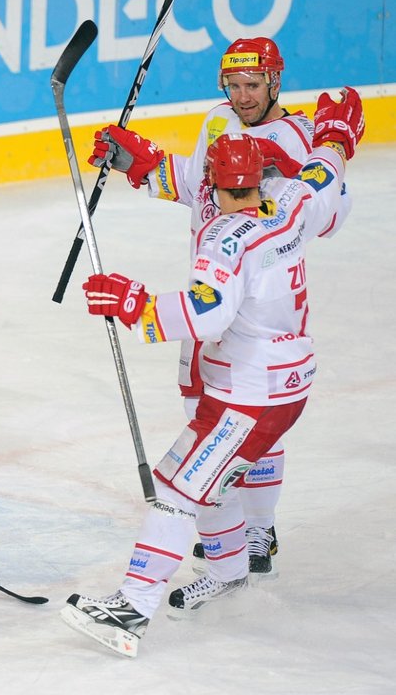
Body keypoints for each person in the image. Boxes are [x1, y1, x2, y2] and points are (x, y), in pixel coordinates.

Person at [61, 92, 364, 658]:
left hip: (250, 396)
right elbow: (325, 175)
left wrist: (134, 304)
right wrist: (337, 137)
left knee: (176, 490)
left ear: (216, 185)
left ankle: (131, 609)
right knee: (196, 476)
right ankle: (227, 569)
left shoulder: (225, 240)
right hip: (270, 381)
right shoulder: (293, 199)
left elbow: (208, 313)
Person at [86, 38, 331, 576]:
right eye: (234, 85)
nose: (243, 96)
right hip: (212, 291)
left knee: (249, 421)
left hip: (261, 303)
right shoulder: (219, 120)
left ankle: (259, 529)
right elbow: (199, 187)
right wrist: (142, 162)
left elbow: (318, 208)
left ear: (275, 82)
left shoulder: (295, 137)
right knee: (206, 411)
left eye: (253, 85)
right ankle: (230, 542)